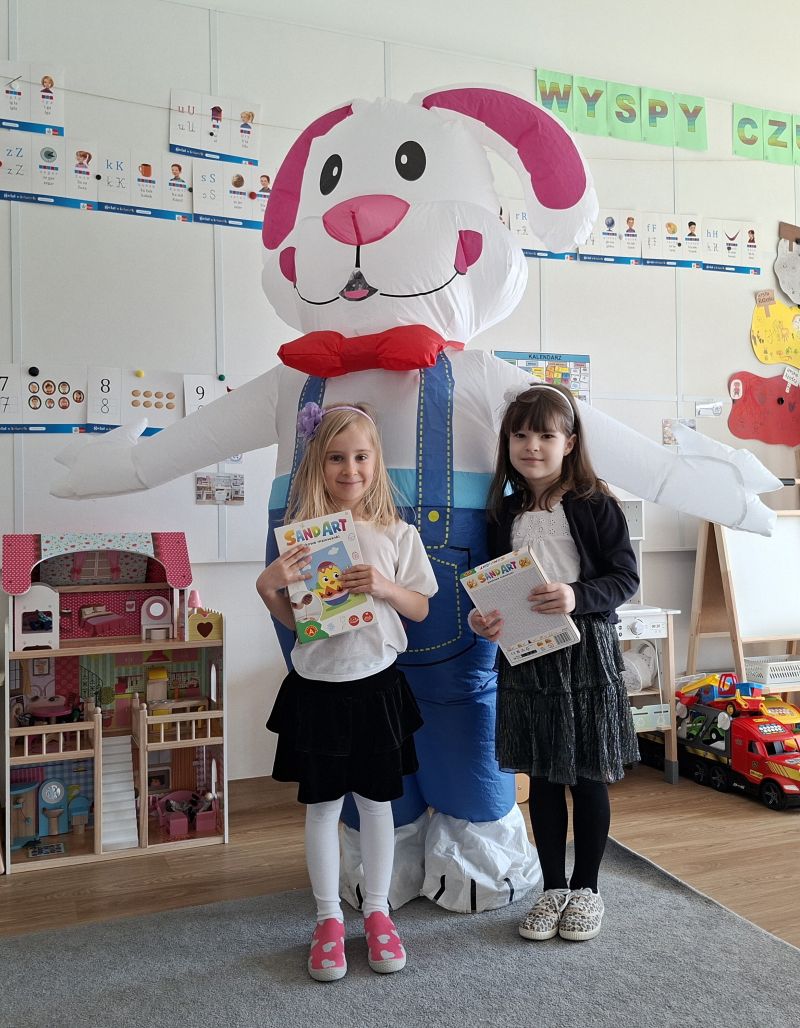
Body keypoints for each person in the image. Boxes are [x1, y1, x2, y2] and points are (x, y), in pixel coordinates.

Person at [256, 401, 437, 982]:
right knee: (323, 809)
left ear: (377, 461)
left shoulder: (397, 533)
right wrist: (268, 587)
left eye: (361, 456)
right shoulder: (302, 541)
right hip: (318, 691)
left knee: (378, 805)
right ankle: (328, 919)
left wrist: (384, 586)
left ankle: (378, 912)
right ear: (318, 463)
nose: (350, 469)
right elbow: (298, 624)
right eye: (336, 458)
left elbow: (420, 607)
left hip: (377, 687)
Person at [469, 383, 639, 944]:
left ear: (569, 442)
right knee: (542, 777)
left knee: (586, 777)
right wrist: (483, 618)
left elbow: (625, 578)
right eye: (520, 435)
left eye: (545, 435)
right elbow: (497, 584)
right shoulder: (504, 511)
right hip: (528, 656)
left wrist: (575, 594)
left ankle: (587, 888)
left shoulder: (595, 504)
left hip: (586, 654)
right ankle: (552, 888)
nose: (532, 446)